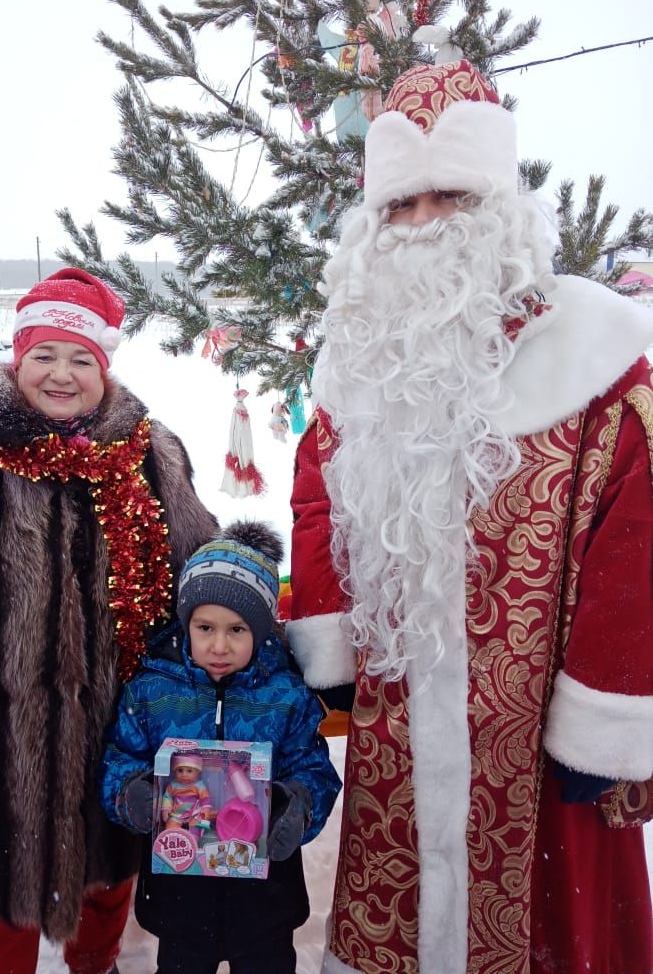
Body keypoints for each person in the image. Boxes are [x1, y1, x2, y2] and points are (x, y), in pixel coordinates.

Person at [286, 59, 653, 974]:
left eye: (448, 198)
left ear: (499, 207)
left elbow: (638, 546)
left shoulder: (598, 364)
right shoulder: (353, 369)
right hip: (398, 717)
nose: (421, 228)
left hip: (544, 742)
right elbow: (316, 500)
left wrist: (604, 725)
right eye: (398, 210)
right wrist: (329, 650)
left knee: (551, 932)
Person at [0, 267, 218, 974]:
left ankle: (98, 965)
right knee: (1, 908)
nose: (61, 374)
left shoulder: (153, 454)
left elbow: (199, 574)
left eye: (81, 358)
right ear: (17, 356)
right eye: (44, 355)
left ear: (105, 365)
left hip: (122, 729)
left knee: (107, 883)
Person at [99, 521, 342, 974]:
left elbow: (313, 768)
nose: (219, 645)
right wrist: (129, 792)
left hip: (265, 894)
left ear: (263, 631)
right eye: (205, 627)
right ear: (185, 623)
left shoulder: (285, 696)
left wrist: (299, 807)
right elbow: (119, 757)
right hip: (181, 890)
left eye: (237, 630)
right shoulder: (152, 692)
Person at [160, 753, 211, 835]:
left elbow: (205, 798)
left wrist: (206, 809)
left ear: (198, 772)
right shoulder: (173, 785)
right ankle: (172, 838)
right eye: (180, 770)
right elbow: (167, 797)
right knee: (170, 825)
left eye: (189, 771)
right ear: (174, 771)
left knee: (197, 827)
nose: (184, 774)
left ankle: (193, 840)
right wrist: (166, 809)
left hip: (194, 813)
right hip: (177, 813)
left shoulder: (199, 785)